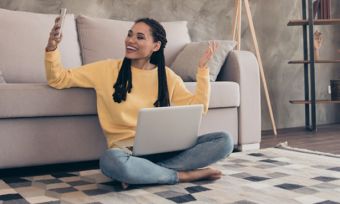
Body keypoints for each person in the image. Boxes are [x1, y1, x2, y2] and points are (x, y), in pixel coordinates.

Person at [45, 16, 234, 189]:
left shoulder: (167, 76)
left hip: (165, 149)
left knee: (224, 141)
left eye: (140, 37)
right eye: (130, 35)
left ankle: (145, 174)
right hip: (126, 154)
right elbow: (59, 78)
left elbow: (198, 108)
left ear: (156, 46)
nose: (130, 40)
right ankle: (181, 176)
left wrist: (202, 71)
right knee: (109, 161)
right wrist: (52, 48)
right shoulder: (106, 69)